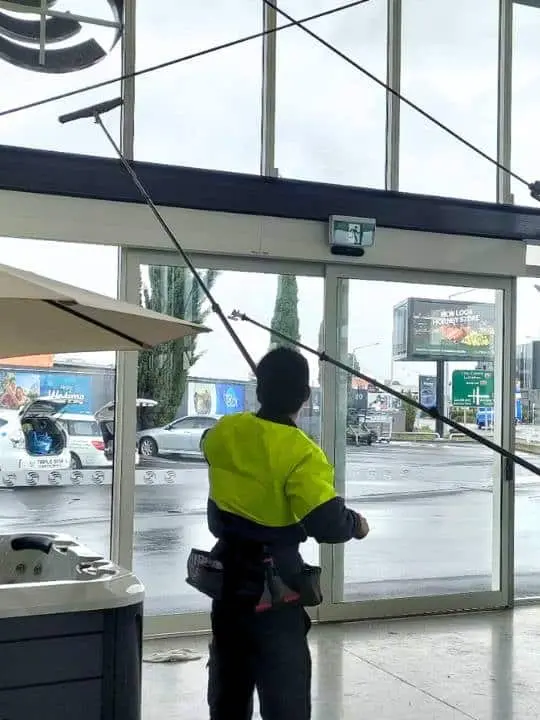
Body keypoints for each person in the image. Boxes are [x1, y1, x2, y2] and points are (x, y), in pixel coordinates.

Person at [200, 346, 370, 720]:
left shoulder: (224, 432)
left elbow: (208, 447)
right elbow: (326, 523)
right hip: (274, 587)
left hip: (226, 578)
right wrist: (355, 523)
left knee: (228, 684)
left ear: (259, 390)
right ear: (305, 396)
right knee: (285, 694)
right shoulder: (303, 453)